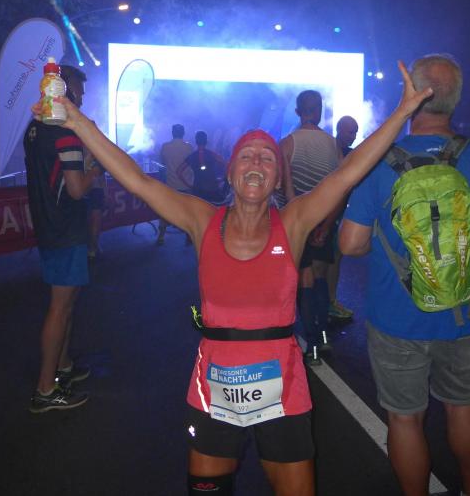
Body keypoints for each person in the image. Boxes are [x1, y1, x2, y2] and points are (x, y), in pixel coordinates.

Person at [34, 61, 433, 496]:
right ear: (231, 172)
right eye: (246, 155)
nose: (256, 162)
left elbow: (349, 172)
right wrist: (77, 121)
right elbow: (135, 178)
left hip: (284, 389)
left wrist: (402, 112)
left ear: (277, 178)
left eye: (267, 157)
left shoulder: (294, 222)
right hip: (214, 388)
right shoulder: (202, 219)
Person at [340, 54, 470, 496]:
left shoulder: (379, 162)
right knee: (463, 403)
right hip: (464, 312)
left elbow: (350, 244)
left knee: (405, 418)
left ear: (411, 96)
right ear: (455, 100)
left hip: (396, 318)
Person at [24, 63, 101, 413]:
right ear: (63, 88)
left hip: (48, 225)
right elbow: (76, 189)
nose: (82, 96)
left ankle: (64, 365)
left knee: (66, 304)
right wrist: (95, 166)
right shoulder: (65, 133)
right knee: (60, 307)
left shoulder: (35, 128)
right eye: (79, 89)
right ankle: (45, 389)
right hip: (66, 228)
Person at [280, 90, 343, 364]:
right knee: (319, 279)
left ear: (297, 111)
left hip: (300, 222)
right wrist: (327, 225)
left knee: (304, 279)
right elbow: (341, 190)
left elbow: (287, 192)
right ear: (320, 111)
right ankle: (325, 336)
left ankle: (313, 344)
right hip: (325, 221)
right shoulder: (333, 144)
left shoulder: (287, 144)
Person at [326, 115, 360, 322]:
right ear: (339, 130)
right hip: (325, 210)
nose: (353, 136)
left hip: (339, 213)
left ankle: (330, 300)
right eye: (350, 131)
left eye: (355, 132)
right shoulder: (328, 149)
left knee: (335, 257)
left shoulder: (351, 153)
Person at [157, 124, 194, 245]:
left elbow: (162, 162)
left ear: (172, 133)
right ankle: (189, 236)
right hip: (186, 184)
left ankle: (161, 236)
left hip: (171, 184)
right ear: (183, 133)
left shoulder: (165, 146)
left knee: (165, 211)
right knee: (188, 211)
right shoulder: (189, 147)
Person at [177, 130, 226, 204]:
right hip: (212, 189)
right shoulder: (212, 154)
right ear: (206, 141)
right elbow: (226, 165)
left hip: (198, 190)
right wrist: (222, 179)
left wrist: (188, 185)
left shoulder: (192, 156)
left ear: (196, 142)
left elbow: (178, 171)